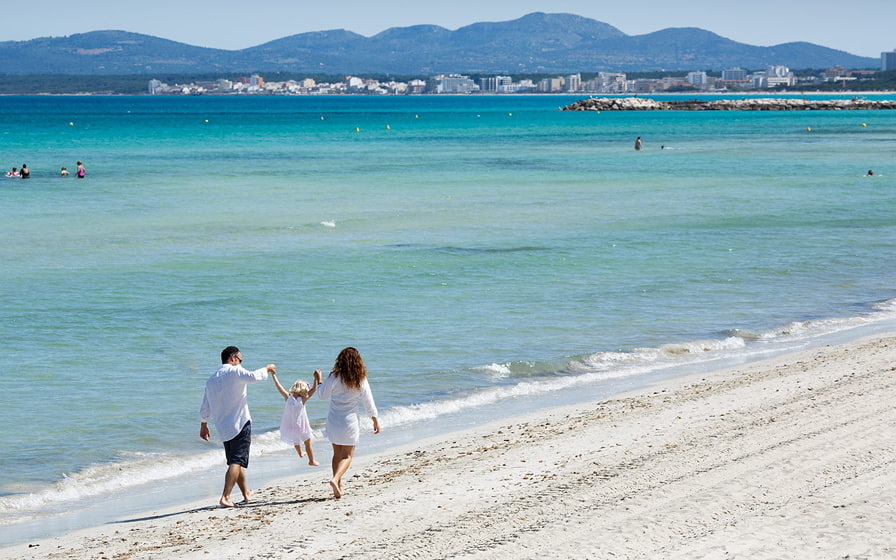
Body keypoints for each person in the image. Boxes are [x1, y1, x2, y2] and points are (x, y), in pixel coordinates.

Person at [199, 346, 276, 507]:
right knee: (236, 461)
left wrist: (204, 424)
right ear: (233, 359)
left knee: (236, 461)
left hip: (223, 428)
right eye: (240, 360)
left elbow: (205, 405)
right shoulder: (235, 371)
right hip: (240, 422)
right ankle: (225, 497)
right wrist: (267, 369)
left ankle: (246, 493)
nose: (241, 363)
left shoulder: (211, 380)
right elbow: (254, 376)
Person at [317, 347, 379, 498]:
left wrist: (318, 380)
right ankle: (336, 479)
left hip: (334, 420)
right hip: (350, 422)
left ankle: (337, 487)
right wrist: (374, 419)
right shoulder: (360, 378)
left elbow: (321, 395)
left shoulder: (334, 376)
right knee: (347, 456)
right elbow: (368, 401)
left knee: (336, 454)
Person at [271, 370, 320, 466]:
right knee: (308, 442)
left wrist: (274, 375)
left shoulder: (288, 397)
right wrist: (316, 378)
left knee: (295, 440)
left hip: (290, 425)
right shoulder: (302, 400)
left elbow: (279, 386)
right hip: (302, 425)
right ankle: (311, 460)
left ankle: (300, 453)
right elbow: (314, 389)